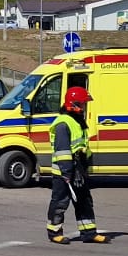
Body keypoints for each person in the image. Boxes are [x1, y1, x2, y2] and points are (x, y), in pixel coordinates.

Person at [45, 85, 106, 244]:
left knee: (84, 201)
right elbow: (63, 151)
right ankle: (54, 232)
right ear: (74, 104)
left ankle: (89, 232)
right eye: (83, 104)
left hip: (78, 170)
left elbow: (82, 147)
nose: (84, 107)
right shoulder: (63, 123)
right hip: (64, 172)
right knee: (60, 203)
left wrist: (84, 167)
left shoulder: (77, 121)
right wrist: (67, 173)